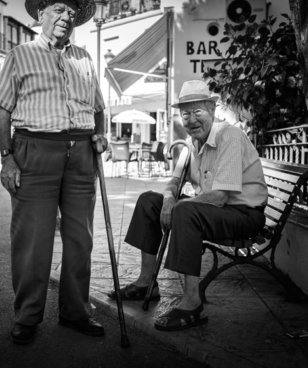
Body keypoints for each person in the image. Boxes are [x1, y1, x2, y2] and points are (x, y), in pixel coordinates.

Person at [0, 0, 108, 344]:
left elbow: (99, 108)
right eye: (58, 9)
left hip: (81, 153)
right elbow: (3, 110)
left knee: (80, 238)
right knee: (33, 239)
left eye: (71, 13)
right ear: (41, 15)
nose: (65, 17)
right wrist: (7, 158)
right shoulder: (20, 54)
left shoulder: (84, 58)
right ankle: (27, 315)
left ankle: (75, 311)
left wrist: (100, 134)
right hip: (34, 149)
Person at [108, 80, 268, 331]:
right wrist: (169, 198)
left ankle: (192, 303)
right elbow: (172, 182)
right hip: (216, 210)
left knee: (186, 210)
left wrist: (178, 205)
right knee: (149, 200)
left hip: (244, 213)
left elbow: (219, 197)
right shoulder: (192, 142)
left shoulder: (230, 136)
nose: (191, 120)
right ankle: (145, 282)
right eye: (185, 114)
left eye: (198, 112)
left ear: (211, 111)